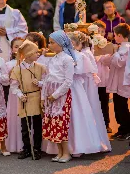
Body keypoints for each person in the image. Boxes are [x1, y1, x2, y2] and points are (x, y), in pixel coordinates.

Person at [67, 32, 111, 154]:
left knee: (87, 111)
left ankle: (91, 140)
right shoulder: (82, 53)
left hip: (85, 85)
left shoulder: (83, 55)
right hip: (83, 84)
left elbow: (89, 71)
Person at [42, 31, 75, 163]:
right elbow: (47, 78)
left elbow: (68, 82)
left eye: (52, 42)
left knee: (61, 123)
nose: (49, 45)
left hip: (60, 96)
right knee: (53, 124)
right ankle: (59, 152)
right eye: (49, 42)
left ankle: (66, 153)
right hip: (51, 95)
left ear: (61, 43)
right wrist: (45, 96)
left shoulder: (67, 59)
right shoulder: (53, 58)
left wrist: (55, 95)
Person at [10, 40, 46, 160]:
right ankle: (26, 148)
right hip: (24, 99)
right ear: (29, 54)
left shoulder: (41, 67)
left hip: (36, 98)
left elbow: (47, 83)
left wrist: (40, 83)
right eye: (36, 52)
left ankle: (36, 149)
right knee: (25, 126)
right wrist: (20, 95)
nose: (38, 54)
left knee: (37, 125)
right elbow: (14, 86)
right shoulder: (17, 70)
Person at [101, 23, 130, 141]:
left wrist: (115, 53)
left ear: (119, 35)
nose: (113, 37)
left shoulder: (127, 48)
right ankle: (122, 128)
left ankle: (127, 128)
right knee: (117, 106)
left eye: (115, 35)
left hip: (123, 81)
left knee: (122, 106)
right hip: (117, 80)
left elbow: (120, 62)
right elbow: (108, 61)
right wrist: (109, 54)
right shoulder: (118, 48)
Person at [5, 37, 25, 153]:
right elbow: (5, 81)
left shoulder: (30, 63)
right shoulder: (8, 64)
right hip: (14, 95)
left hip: (27, 93)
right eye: (16, 47)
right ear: (12, 49)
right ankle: (14, 145)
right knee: (14, 117)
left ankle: (26, 143)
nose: (18, 49)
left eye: (21, 46)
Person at [92, 20, 112, 133]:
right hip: (93, 79)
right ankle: (94, 124)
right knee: (94, 101)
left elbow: (107, 61)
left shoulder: (107, 46)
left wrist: (103, 56)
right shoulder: (91, 45)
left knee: (104, 102)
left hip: (104, 78)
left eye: (102, 31)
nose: (100, 33)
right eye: (98, 31)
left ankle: (106, 123)